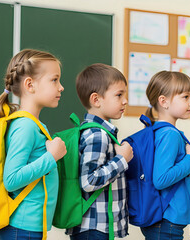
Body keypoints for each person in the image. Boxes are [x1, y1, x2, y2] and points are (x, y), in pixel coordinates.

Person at [0, 49, 67, 240]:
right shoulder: (25, 126)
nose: (61, 87)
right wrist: (51, 157)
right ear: (30, 85)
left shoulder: (33, 124)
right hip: (22, 228)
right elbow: (12, 179)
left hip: (28, 227)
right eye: (54, 80)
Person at [67, 63, 133, 239]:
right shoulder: (98, 135)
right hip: (94, 229)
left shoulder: (97, 132)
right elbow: (89, 181)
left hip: (97, 228)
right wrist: (122, 160)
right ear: (96, 100)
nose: (125, 100)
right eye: (119, 95)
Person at [141, 71, 190, 240]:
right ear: (164, 101)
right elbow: (161, 179)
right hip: (166, 221)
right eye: (185, 97)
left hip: (163, 220)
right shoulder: (170, 134)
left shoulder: (158, 131)